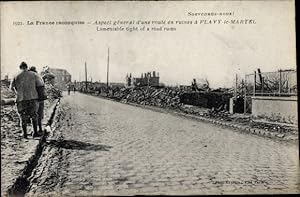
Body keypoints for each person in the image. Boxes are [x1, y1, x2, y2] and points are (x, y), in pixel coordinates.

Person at [10, 62, 44, 138]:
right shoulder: (33, 74)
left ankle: (24, 134)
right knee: (34, 115)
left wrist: (18, 92)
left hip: (21, 99)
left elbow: (11, 87)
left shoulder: (15, 75)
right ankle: (35, 133)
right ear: (26, 67)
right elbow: (40, 85)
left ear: (20, 67)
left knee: (22, 117)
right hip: (33, 98)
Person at [29, 66, 47, 135]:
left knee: (33, 115)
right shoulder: (38, 76)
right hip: (40, 98)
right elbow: (42, 87)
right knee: (40, 114)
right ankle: (40, 129)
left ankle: (33, 130)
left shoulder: (29, 77)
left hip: (33, 98)